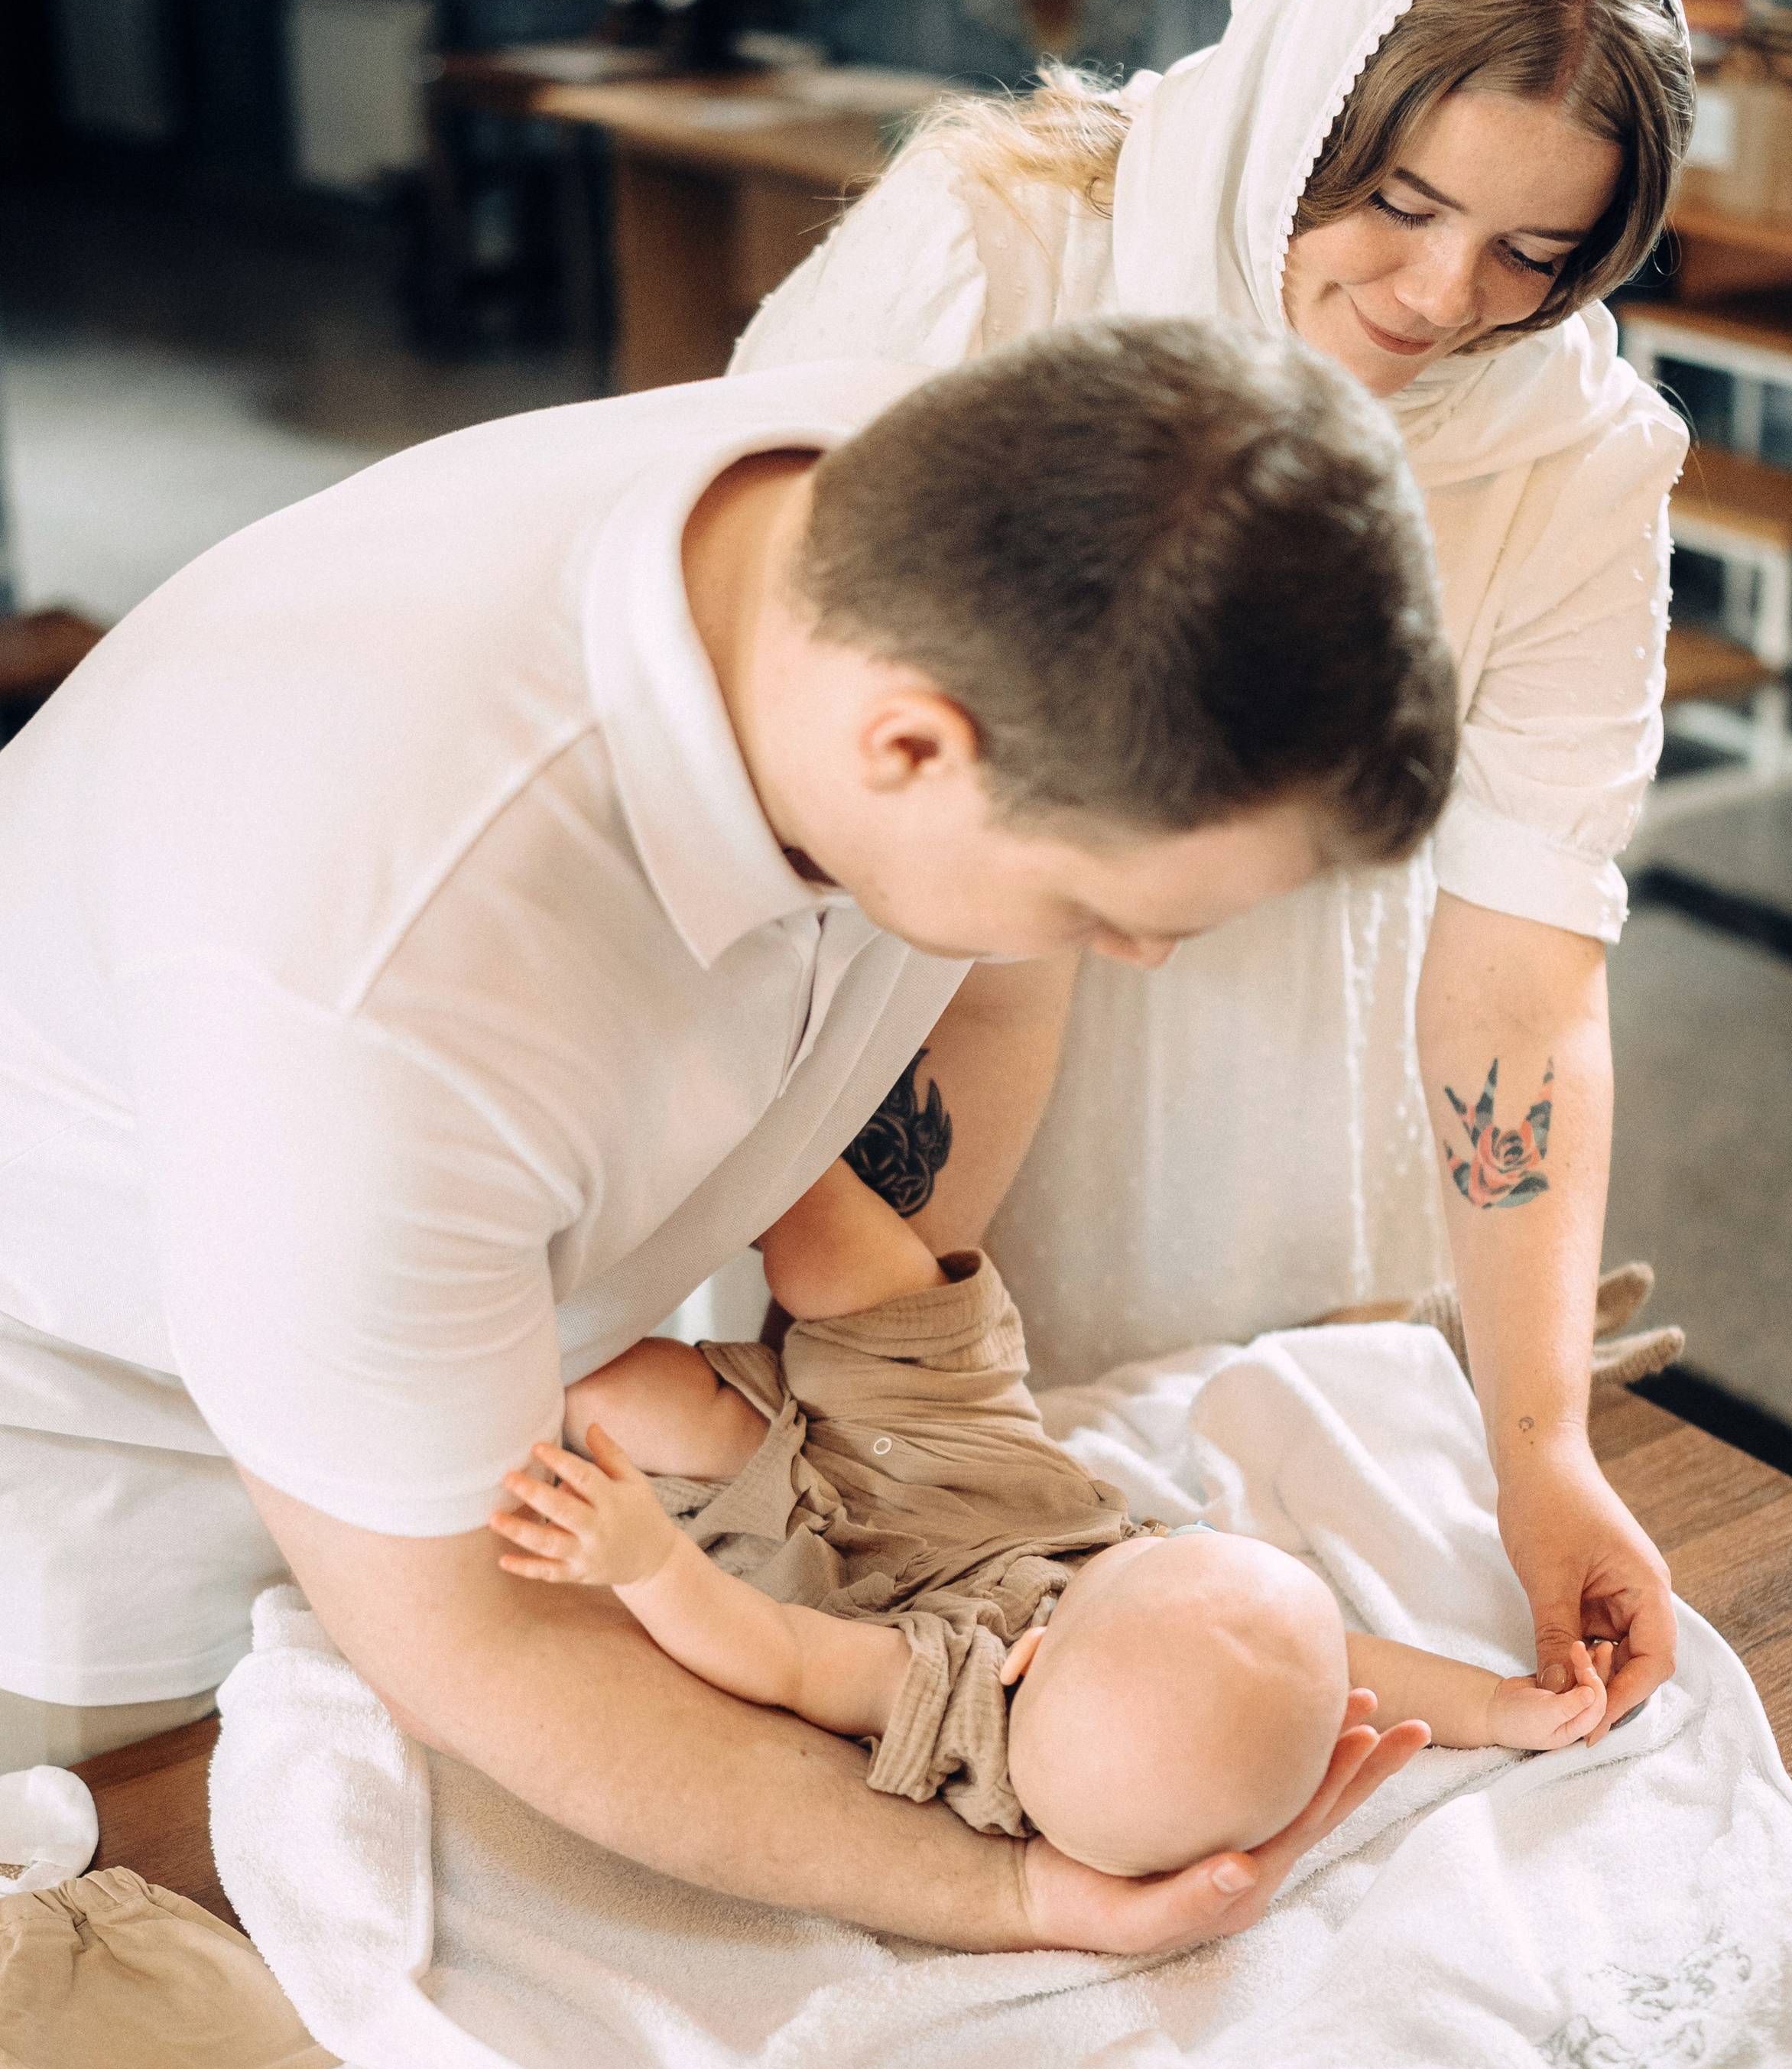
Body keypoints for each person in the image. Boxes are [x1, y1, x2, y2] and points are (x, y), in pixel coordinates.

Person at [0, 316, 1452, 1955]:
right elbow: (478, 1646)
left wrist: (880, 1396)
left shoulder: (955, 546)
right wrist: (1014, 1892)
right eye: (1102, 908)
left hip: (504, 1366)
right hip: (111, 1480)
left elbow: (988, 994)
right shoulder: (372, 999)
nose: (1141, 962)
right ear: (910, 748)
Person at [731, 0, 1697, 1740]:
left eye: (1534, 254)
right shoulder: (1000, 249)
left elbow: (1519, 976)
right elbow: (769, 722)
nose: (1440, 297)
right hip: (904, 1007)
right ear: (1300, 107)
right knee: (877, 1575)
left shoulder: (1571, 451)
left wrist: (1539, 1448)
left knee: (1211, 1608)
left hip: (1278, 1078)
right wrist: (859, 1322)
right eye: (1398, 204)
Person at [489, 1156, 1611, 1881]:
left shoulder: (962, 1707)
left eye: (1156, 1558)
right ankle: (764, 1147)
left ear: (1025, 1659)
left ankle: (523, 1249)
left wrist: (645, 1563)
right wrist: (1494, 1706)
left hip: (818, 1548)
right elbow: (1348, 1675)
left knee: (611, 1395)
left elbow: (780, 1654)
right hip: (969, 1455)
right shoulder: (1208, 1698)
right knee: (824, 1238)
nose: (1158, 1538)